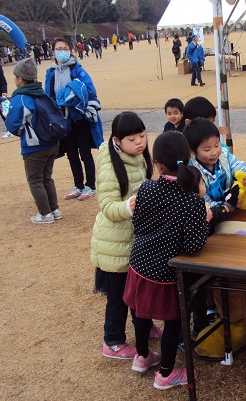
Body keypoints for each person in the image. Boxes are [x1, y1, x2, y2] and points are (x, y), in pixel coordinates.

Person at [123, 130, 209, 389]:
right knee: (173, 321)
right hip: (166, 273)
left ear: (158, 164)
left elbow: (137, 225)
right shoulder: (192, 200)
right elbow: (194, 246)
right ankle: (166, 373)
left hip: (139, 265)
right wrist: (206, 220)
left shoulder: (147, 188)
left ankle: (142, 356)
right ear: (189, 157)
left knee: (139, 312)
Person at [91, 112, 162, 360]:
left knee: (139, 290)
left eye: (142, 136)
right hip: (115, 244)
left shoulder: (139, 157)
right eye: (132, 139)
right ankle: (112, 341)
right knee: (119, 297)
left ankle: (146, 326)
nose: (140, 142)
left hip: (134, 240)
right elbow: (108, 206)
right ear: (117, 140)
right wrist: (129, 206)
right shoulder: (110, 165)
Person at [45, 37, 104, 201]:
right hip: (62, 120)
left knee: (85, 152)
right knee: (71, 154)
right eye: (58, 49)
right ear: (53, 51)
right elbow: (48, 96)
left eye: (65, 48)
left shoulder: (77, 69)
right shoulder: (50, 72)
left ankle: (90, 185)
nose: (62, 51)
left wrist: (76, 100)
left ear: (70, 51)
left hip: (79, 117)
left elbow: (89, 89)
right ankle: (78, 185)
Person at [4, 58, 61, 224]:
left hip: (34, 147)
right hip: (51, 143)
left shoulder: (21, 98)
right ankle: (54, 209)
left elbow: (14, 125)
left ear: (21, 78)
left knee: (35, 180)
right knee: (47, 178)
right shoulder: (41, 93)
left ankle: (45, 214)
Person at [183, 118, 246, 215]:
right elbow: (204, 203)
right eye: (207, 149)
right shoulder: (193, 172)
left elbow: (238, 166)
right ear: (192, 151)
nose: (214, 152)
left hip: (231, 202)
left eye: (217, 145)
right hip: (214, 214)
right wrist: (227, 205)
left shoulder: (224, 156)